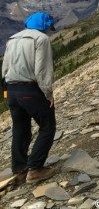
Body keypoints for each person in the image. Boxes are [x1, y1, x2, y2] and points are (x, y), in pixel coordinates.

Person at [1, 12, 57, 184]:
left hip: (11, 91)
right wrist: (48, 94)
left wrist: (5, 93)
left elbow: (4, 68)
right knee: (48, 126)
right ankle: (35, 169)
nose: (49, 31)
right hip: (30, 90)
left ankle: (19, 170)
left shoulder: (12, 39)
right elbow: (42, 69)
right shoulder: (41, 39)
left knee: (20, 129)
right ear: (44, 26)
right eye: (48, 28)